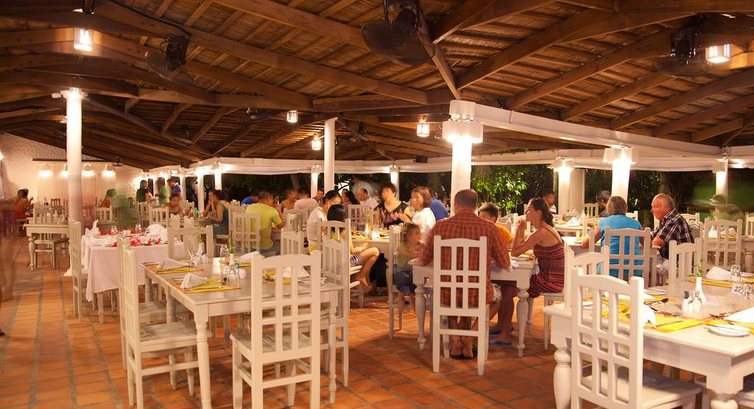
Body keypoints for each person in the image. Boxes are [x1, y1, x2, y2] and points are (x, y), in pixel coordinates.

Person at [418, 189, 510, 359]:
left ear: (455, 205)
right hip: (477, 295)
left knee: (449, 292)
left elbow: (423, 260)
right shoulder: (489, 228)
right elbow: (505, 262)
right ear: (475, 206)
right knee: (499, 296)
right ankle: (470, 336)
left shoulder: (440, 226)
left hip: (447, 294)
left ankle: (456, 339)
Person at [507, 198, 564, 345]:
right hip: (553, 277)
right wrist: (521, 231)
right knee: (509, 287)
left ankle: (504, 330)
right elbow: (520, 247)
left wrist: (518, 229)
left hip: (550, 280)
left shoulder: (542, 232)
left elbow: (515, 252)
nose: (526, 213)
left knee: (508, 288)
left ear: (538, 213)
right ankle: (504, 327)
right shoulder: (545, 229)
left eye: (529, 210)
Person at [583, 196, 643, 277]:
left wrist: (588, 234)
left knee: (588, 266)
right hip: (634, 271)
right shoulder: (636, 223)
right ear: (625, 208)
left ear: (608, 208)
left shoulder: (603, 223)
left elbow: (585, 244)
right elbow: (648, 244)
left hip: (609, 270)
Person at [327, 204, 379, 289]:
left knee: (362, 257)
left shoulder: (326, 229)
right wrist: (363, 247)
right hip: (346, 263)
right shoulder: (345, 230)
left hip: (330, 262)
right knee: (375, 251)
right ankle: (361, 276)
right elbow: (352, 251)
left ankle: (359, 280)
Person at [651, 193, 694, 261]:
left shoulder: (673, 220)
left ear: (666, 208)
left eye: (655, 207)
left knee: (645, 263)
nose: (652, 210)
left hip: (681, 264)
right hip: (670, 261)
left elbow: (656, 243)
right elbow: (652, 235)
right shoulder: (666, 219)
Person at [393, 223, 423, 307]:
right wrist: (419, 254)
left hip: (413, 270)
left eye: (417, 233)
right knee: (401, 276)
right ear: (406, 236)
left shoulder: (421, 245)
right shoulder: (403, 246)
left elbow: (427, 251)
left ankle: (412, 295)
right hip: (401, 269)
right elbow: (408, 253)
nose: (414, 236)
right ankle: (402, 294)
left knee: (416, 277)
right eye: (411, 234)